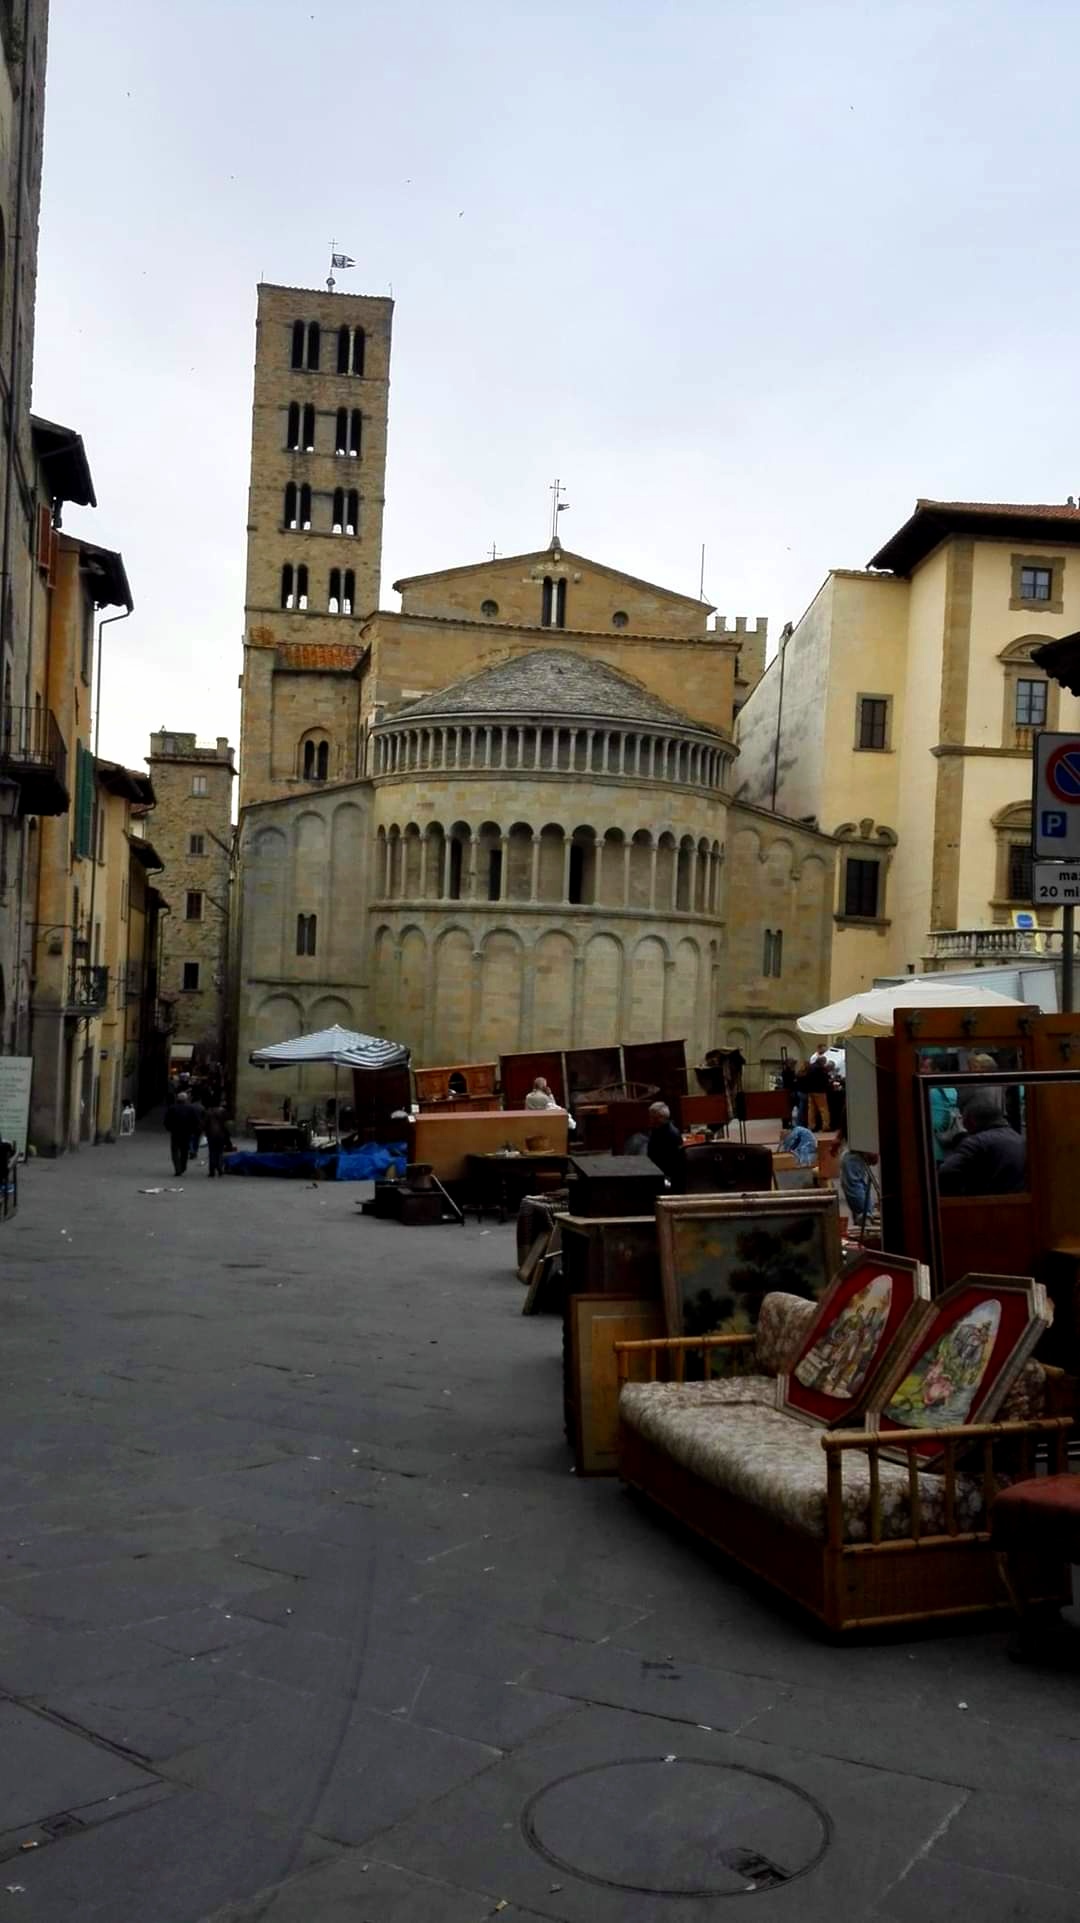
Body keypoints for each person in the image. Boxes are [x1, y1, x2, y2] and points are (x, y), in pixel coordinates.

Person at [938, 1094, 1026, 1196]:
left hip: (983, 1205)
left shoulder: (976, 1142)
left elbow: (946, 1172)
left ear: (970, 1121)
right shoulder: (1020, 1139)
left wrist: (958, 1138)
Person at [647, 1101, 687, 1192]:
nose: (650, 1120)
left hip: (668, 1179)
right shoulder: (657, 1131)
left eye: (653, 1117)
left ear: (661, 1118)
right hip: (660, 1174)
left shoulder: (671, 1134)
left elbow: (672, 1163)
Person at [164, 1091, 193, 1176]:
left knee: (175, 1151)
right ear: (186, 1100)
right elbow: (194, 1120)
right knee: (184, 1151)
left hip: (175, 1132)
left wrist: (169, 1128)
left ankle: (177, 1168)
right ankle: (183, 1167)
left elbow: (167, 1120)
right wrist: (192, 1130)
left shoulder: (172, 1108)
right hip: (186, 1133)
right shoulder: (190, 1108)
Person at [805, 1045, 832, 1132]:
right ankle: (826, 1126)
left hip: (810, 1090)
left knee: (811, 1110)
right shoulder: (821, 1069)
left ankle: (811, 1126)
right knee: (823, 1109)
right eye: (824, 1063)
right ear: (822, 1062)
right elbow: (825, 1080)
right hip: (819, 1091)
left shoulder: (810, 1067)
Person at [204, 1104, 229, 1178]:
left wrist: (205, 1131)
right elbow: (226, 1121)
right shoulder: (222, 1112)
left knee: (212, 1152)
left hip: (211, 1135)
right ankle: (220, 1168)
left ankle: (212, 1171)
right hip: (220, 1134)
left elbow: (205, 1124)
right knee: (220, 1152)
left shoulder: (208, 1112)